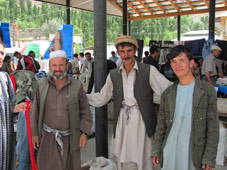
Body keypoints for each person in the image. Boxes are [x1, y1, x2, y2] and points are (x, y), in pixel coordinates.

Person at [87, 35, 172, 170]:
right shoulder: (113, 74)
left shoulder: (148, 70)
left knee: (142, 154)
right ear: (118, 52)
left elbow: (167, 90)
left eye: (129, 51)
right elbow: (102, 97)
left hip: (142, 121)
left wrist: (187, 88)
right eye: (122, 51)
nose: (126, 55)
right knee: (121, 153)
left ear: (135, 51)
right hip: (122, 121)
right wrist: (83, 98)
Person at [151, 45, 219, 170]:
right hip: (170, 149)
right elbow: (161, 125)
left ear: (191, 63)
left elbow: (213, 128)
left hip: (193, 151)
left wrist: (209, 157)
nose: (177, 65)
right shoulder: (168, 93)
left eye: (181, 60)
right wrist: (156, 149)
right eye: (174, 62)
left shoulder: (207, 91)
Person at [31, 50, 92, 170]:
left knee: (70, 166)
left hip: (71, 138)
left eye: (61, 65)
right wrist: (34, 134)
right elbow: (35, 112)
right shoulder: (41, 85)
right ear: (49, 66)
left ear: (67, 66)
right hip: (48, 138)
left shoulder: (76, 85)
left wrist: (84, 133)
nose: (57, 68)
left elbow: (85, 111)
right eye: (54, 65)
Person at [0, 41, 28, 170]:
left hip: (4, 140)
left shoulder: (4, 79)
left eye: (1, 53)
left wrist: (18, 108)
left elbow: (10, 105)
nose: (1, 56)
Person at [9, 70, 38, 170]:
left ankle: (23, 166)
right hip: (34, 100)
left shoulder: (9, 79)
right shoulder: (13, 76)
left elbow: (15, 101)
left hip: (27, 104)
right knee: (34, 139)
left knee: (25, 141)